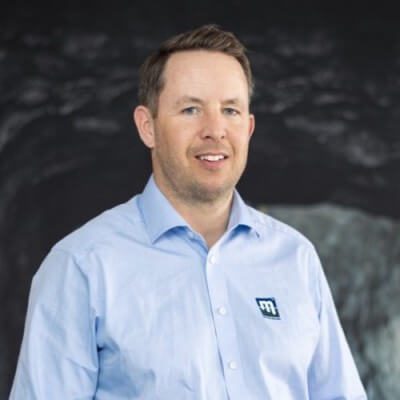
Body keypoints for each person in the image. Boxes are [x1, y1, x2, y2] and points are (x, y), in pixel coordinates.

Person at [10, 24, 367, 399]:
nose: (214, 130)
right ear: (147, 127)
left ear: (248, 128)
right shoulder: (81, 266)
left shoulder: (295, 258)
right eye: (191, 109)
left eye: (230, 110)